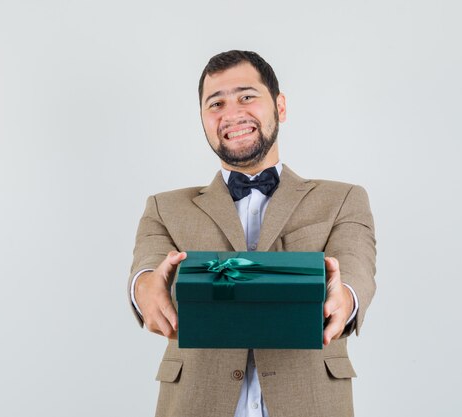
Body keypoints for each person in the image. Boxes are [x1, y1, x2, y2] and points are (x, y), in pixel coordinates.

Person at [128, 50, 376, 417]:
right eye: (216, 104)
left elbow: (357, 269)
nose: (231, 113)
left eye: (247, 96)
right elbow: (147, 268)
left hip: (310, 402)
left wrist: (346, 300)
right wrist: (143, 288)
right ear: (203, 119)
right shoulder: (165, 207)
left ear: (280, 106)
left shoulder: (342, 199)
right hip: (197, 403)